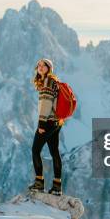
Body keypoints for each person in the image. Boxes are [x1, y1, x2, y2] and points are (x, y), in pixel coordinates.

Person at [28, 58, 64, 195]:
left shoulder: (48, 81)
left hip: (48, 122)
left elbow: (46, 104)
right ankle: (57, 186)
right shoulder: (53, 81)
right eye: (39, 65)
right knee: (54, 152)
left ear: (49, 68)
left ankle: (39, 183)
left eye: (44, 65)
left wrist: (41, 123)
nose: (41, 67)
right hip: (56, 122)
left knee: (35, 150)